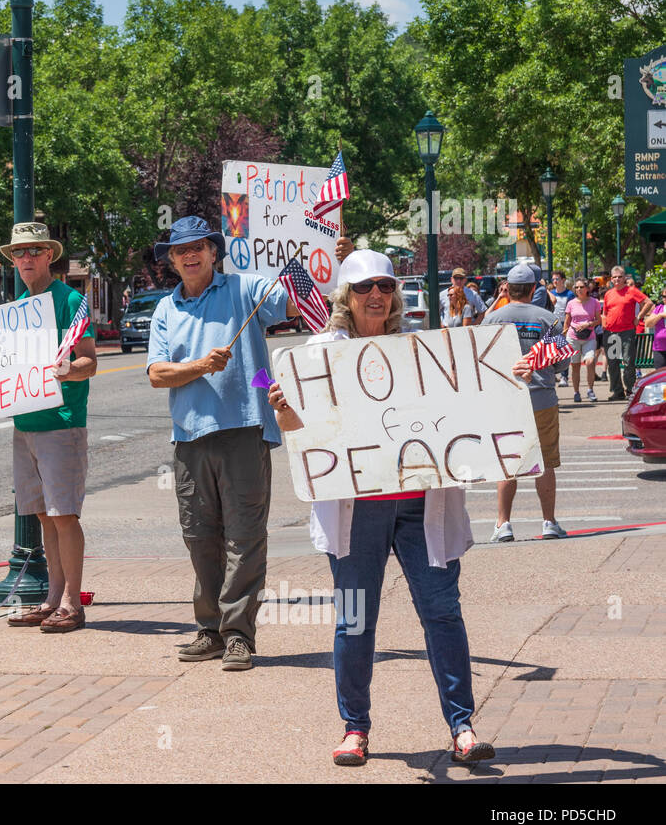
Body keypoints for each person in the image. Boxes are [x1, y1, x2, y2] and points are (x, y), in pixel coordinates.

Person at [267, 249, 495, 767]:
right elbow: (301, 436)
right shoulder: (320, 353)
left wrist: (504, 379)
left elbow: (465, 407)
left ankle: (462, 726)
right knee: (354, 620)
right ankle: (355, 728)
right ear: (346, 295)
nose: (377, 295)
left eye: (387, 286)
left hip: (422, 508)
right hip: (356, 510)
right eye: (366, 286)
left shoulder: (418, 350)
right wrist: (282, 407)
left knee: (442, 614)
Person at [146, 216, 301, 671]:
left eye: (198, 247)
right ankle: (209, 629)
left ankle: (238, 635)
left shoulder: (247, 288)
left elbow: (291, 307)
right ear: (172, 260)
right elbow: (157, 374)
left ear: (215, 251)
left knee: (245, 538)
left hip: (244, 430)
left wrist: (315, 262)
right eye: (180, 250)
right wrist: (199, 366)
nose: (190, 255)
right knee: (199, 537)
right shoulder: (165, 309)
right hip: (189, 437)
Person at [0, 222, 98, 633]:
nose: (26, 259)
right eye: (19, 253)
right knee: (45, 518)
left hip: (61, 424)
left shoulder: (69, 301)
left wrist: (68, 370)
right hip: (25, 424)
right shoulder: (17, 308)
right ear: (12, 260)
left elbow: (90, 361)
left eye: (34, 251)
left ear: (50, 255)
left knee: (64, 515)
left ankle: (72, 603)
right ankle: (53, 598)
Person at [484, 263, 567, 541]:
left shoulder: (493, 319)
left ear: (508, 288)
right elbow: (562, 361)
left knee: (509, 462)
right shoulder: (548, 318)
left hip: (506, 401)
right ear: (533, 289)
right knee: (545, 462)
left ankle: (503, 523)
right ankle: (549, 522)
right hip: (541, 397)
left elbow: (481, 360)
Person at [601, 266, 650, 401]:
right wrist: (604, 324)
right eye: (614, 277)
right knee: (613, 363)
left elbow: (648, 302)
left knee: (628, 362)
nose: (617, 279)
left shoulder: (631, 291)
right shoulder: (608, 294)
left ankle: (630, 391)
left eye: (620, 277)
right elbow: (604, 313)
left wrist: (638, 317)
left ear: (625, 278)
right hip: (611, 333)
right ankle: (617, 392)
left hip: (627, 332)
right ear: (611, 279)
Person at [563, 278, 600, 402]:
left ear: (587, 289)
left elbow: (599, 320)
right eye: (577, 287)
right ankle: (576, 392)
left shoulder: (594, 302)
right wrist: (563, 337)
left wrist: (588, 324)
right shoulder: (571, 303)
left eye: (581, 287)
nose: (578, 289)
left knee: (590, 362)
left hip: (589, 336)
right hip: (573, 337)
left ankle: (590, 390)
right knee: (575, 366)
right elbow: (567, 321)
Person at [645, 286, 666, 371]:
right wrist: (660, 315)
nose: (665, 298)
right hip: (659, 348)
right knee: (660, 378)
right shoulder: (659, 308)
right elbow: (648, 323)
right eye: (664, 296)